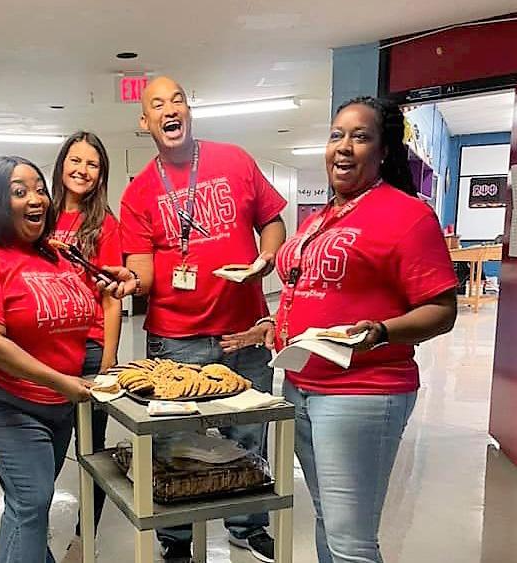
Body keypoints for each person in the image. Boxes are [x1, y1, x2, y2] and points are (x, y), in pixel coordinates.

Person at [253, 96, 458, 563]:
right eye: (336, 135)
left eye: (360, 137)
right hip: (301, 385)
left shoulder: (407, 215)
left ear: (383, 151)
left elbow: (442, 310)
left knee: (351, 541)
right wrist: (273, 323)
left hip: (362, 390)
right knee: (328, 520)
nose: (343, 147)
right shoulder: (321, 218)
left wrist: (381, 331)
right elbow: (309, 287)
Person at [105, 76, 287, 563]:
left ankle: (248, 526)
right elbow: (142, 269)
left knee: (248, 433)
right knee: (175, 444)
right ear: (144, 122)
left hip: (243, 329)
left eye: (178, 100)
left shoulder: (235, 160)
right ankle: (177, 539)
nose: (170, 109)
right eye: (157, 104)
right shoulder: (138, 193)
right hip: (175, 340)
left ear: (189, 110)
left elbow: (272, 220)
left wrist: (265, 259)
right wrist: (130, 282)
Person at [0, 155, 97, 563]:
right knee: (32, 499)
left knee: (29, 500)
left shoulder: (54, 257)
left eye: (40, 190)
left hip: (57, 401)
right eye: (19, 192)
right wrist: (60, 381)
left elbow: (75, 311)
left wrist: (108, 284)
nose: (36, 199)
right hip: (5, 397)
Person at [51, 132, 122, 563]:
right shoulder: (40, 217)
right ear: (61, 164)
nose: (82, 170)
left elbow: (112, 297)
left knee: (91, 452)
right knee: (44, 450)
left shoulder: (106, 226)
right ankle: (32, 527)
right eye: (75, 160)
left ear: (101, 175)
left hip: (90, 350)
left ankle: (84, 541)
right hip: (45, 353)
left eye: (92, 164)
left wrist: (109, 361)